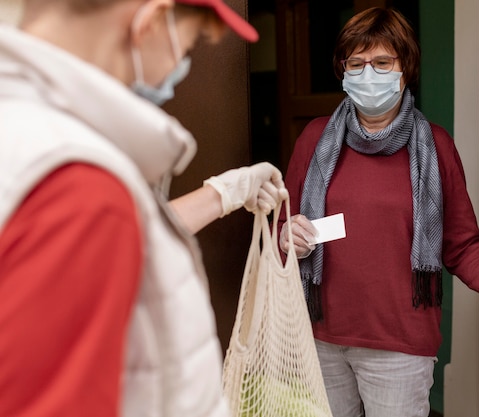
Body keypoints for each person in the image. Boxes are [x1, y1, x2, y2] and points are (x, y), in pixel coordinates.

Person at [0, 0, 287, 416]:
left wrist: (225, 192)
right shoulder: (79, 189)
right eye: (185, 49)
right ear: (149, 23)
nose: (177, 71)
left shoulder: (25, 132)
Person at [278, 7, 479, 417]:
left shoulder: (435, 146)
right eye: (356, 64)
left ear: (405, 68)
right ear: (342, 70)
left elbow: (462, 246)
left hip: (400, 349)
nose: (368, 74)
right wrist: (288, 236)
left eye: (381, 63)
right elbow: (280, 229)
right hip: (318, 341)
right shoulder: (313, 139)